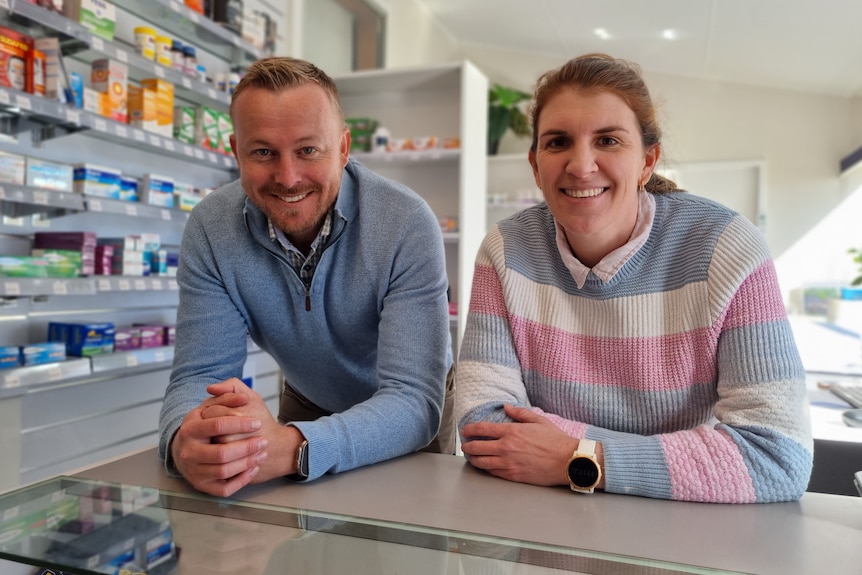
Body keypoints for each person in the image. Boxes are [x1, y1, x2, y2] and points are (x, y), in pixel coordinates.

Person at [454, 53, 813, 503]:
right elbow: (482, 426)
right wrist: (680, 460)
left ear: (648, 160)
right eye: (558, 142)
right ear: (535, 164)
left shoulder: (727, 248)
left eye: (607, 140)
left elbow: (777, 456)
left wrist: (579, 457)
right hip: (544, 518)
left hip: (680, 533)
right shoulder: (505, 251)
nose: (581, 165)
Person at [158, 57, 453, 498]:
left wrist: (294, 447)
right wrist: (186, 439)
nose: (288, 177)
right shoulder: (210, 228)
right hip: (307, 400)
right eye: (263, 152)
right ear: (236, 151)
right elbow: (199, 376)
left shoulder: (405, 221)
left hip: (409, 414)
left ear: (344, 147)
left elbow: (412, 400)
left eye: (308, 150)